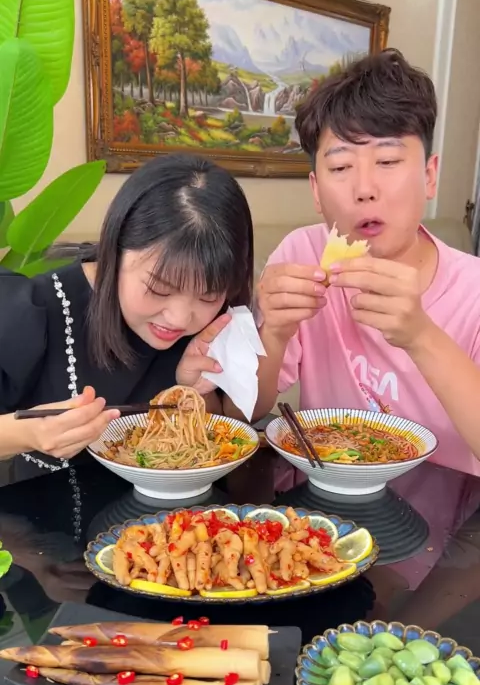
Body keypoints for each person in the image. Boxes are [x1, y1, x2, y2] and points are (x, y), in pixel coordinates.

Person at [252, 48, 480, 474]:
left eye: (388, 161)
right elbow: (248, 409)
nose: (364, 189)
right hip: (321, 499)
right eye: (341, 167)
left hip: (448, 506)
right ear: (316, 190)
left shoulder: (474, 291)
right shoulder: (301, 256)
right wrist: (274, 334)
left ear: (429, 176)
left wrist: (420, 335)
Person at [0, 152, 253, 480]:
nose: (179, 319)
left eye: (208, 295)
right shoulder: (32, 311)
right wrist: (28, 434)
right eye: (158, 288)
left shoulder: (212, 328)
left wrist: (196, 391)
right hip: (45, 512)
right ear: (115, 249)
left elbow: (221, 441)